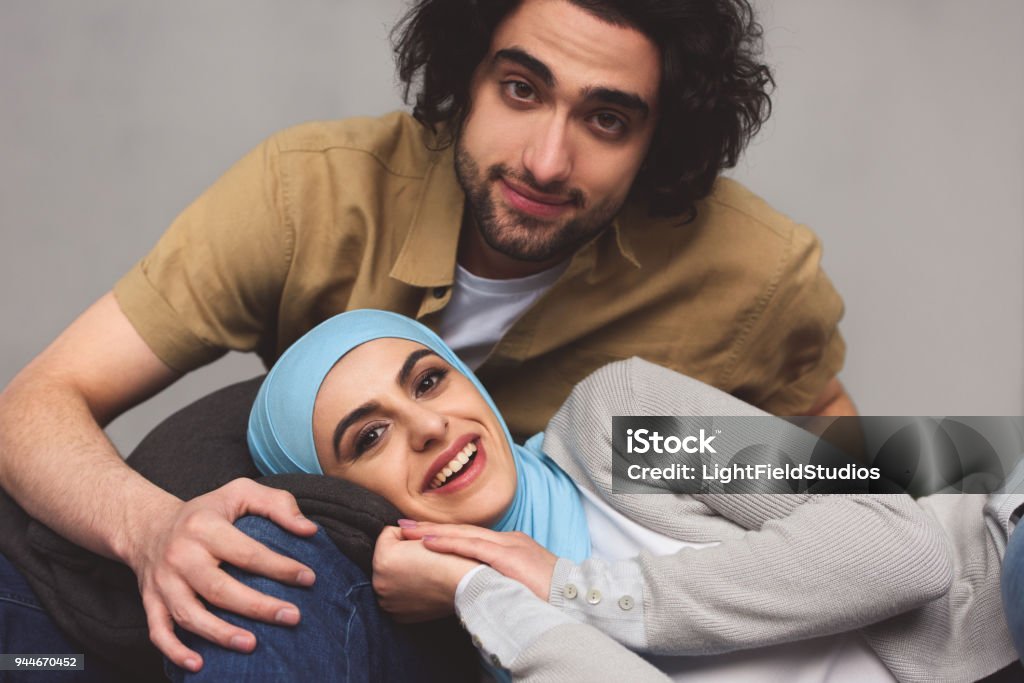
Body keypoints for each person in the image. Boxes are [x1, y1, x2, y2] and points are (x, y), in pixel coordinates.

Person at [0, 0, 855, 675]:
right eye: (521, 90)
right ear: (467, 74)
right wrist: (154, 530)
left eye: (606, 120)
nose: (547, 162)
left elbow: (863, 478)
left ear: (657, 138)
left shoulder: (749, 273)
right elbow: (34, 405)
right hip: (334, 569)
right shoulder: (310, 195)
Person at [234, 309, 1019, 681]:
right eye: (368, 437)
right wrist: (486, 587)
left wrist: (573, 585)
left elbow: (902, 545)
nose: (432, 426)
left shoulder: (622, 415)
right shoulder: (505, 644)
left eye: (430, 379)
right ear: (341, 498)